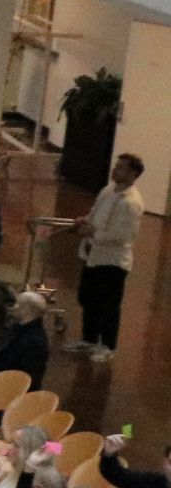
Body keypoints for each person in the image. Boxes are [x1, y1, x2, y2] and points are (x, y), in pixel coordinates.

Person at [71, 152, 144, 362]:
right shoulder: (108, 190)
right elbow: (95, 213)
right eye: (116, 166)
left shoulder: (132, 203)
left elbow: (124, 236)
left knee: (108, 304)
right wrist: (84, 221)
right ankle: (89, 339)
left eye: (120, 167)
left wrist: (92, 232)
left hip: (113, 261)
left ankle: (108, 345)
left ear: (132, 173)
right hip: (94, 254)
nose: (115, 170)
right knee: (88, 297)